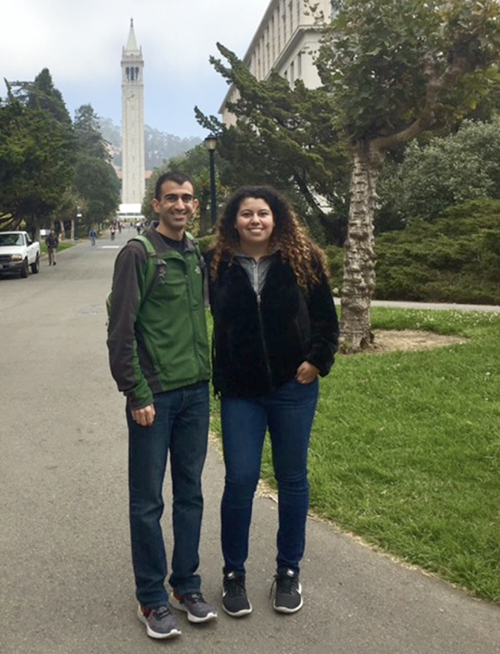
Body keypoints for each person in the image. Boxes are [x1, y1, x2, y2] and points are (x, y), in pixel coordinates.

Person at [206, 186, 339, 618]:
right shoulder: (217, 264)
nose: (256, 220)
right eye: (247, 214)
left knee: (292, 479)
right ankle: (233, 574)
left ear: (277, 218)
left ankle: (288, 571)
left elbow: (325, 318)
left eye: (263, 213)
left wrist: (316, 360)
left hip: (293, 389)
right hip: (242, 392)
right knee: (240, 480)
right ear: (234, 221)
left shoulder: (305, 260)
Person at [107, 172, 216, 640]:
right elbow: (120, 329)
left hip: (196, 392)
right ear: (156, 204)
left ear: (195, 205)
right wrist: (137, 392)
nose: (180, 204)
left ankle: (185, 586)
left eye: (187, 198)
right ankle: (151, 598)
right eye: (171, 197)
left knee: (190, 493)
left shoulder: (195, 254)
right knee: (148, 501)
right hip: (156, 397)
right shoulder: (138, 253)